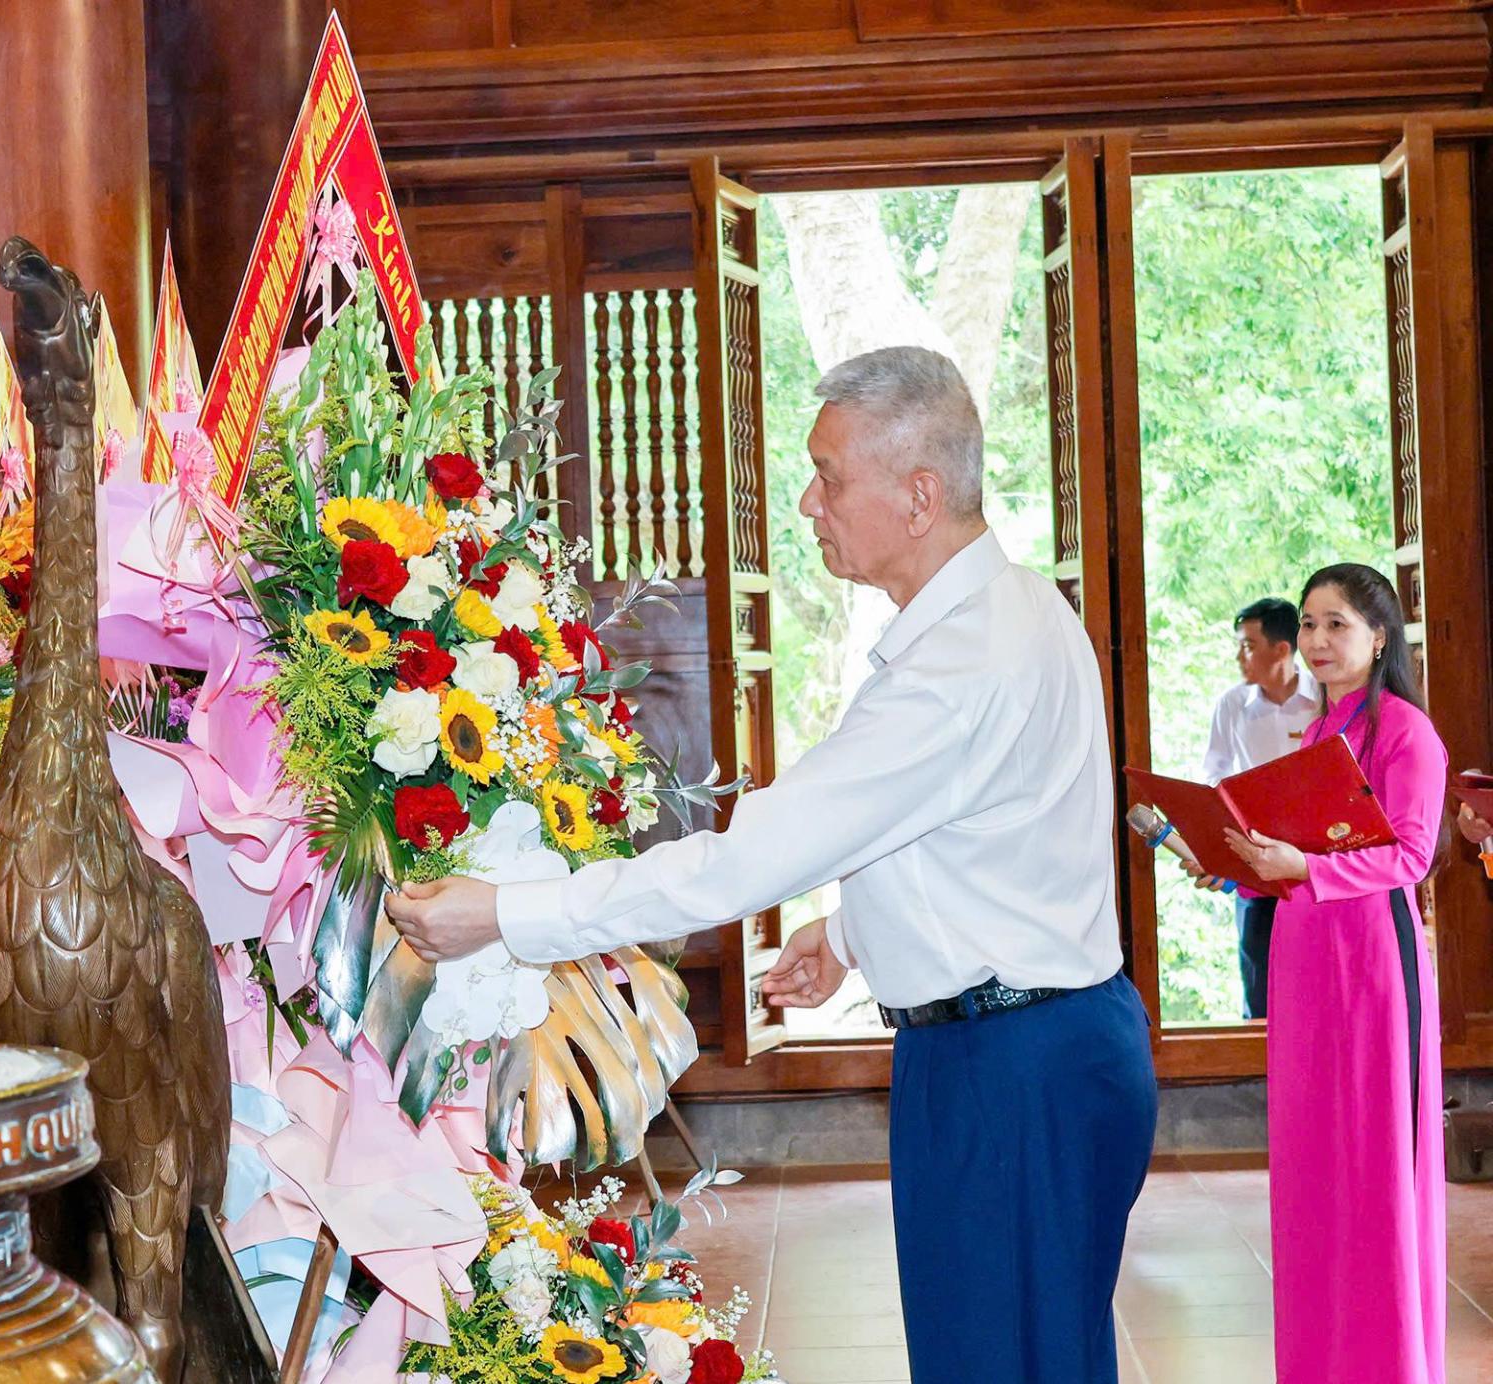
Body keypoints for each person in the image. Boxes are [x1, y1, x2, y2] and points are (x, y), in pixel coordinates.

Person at [386, 346, 1158, 1384]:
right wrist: (847, 936)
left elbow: (736, 866)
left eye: (830, 475)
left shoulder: (957, 666)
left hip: (1011, 1073)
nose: (806, 502)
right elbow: (1001, 838)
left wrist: (506, 914)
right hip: (1041, 1043)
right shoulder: (1021, 607)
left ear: (919, 495)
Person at [1197, 564, 1445, 1384]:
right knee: (1313, 1162)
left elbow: (1408, 856)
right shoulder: (1316, 734)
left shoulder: (1408, 732)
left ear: (1380, 637)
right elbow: (1298, 855)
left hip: (1373, 957)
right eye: (1308, 624)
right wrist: (1234, 865)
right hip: (1305, 955)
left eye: (1336, 624)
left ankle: (1389, 1361)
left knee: (1376, 1163)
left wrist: (1298, 862)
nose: (1316, 641)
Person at [1200, 596, 1319, 1018]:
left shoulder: (1324, 699)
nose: (1239, 656)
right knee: (1261, 986)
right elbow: (1213, 777)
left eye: (1248, 645)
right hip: (1255, 866)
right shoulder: (1232, 705)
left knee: (1316, 988)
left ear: (1282, 649)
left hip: (1313, 865)